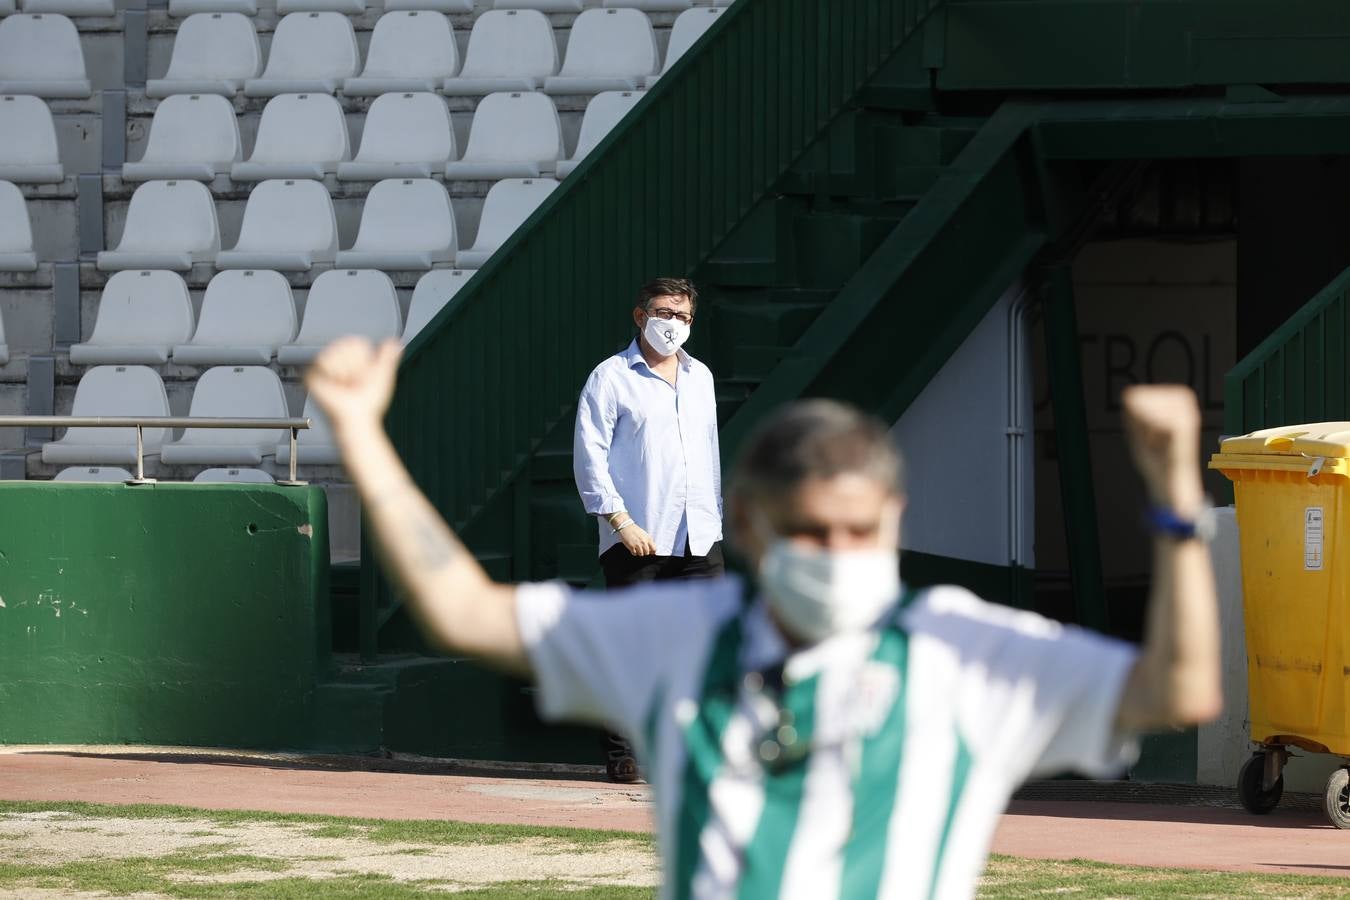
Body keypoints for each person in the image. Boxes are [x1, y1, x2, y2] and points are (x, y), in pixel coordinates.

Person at [307, 336, 1221, 900]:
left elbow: (1178, 689)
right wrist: (363, 440)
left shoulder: (959, 645)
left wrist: (1177, 501)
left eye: (858, 529)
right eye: (807, 531)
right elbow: (466, 613)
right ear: (746, 525)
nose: (834, 551)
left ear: (896, 521)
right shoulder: (679, 634)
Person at [572, 277, 725, 782]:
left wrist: (714, 517)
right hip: (639, 533)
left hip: (698, 535)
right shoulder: (610, 377)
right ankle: (623, 754)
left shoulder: (700, 376)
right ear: (640, 316)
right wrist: (619, 520)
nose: (672, 324)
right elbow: (589, 457)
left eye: (682, 316)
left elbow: (708, 454)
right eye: (663, 313)